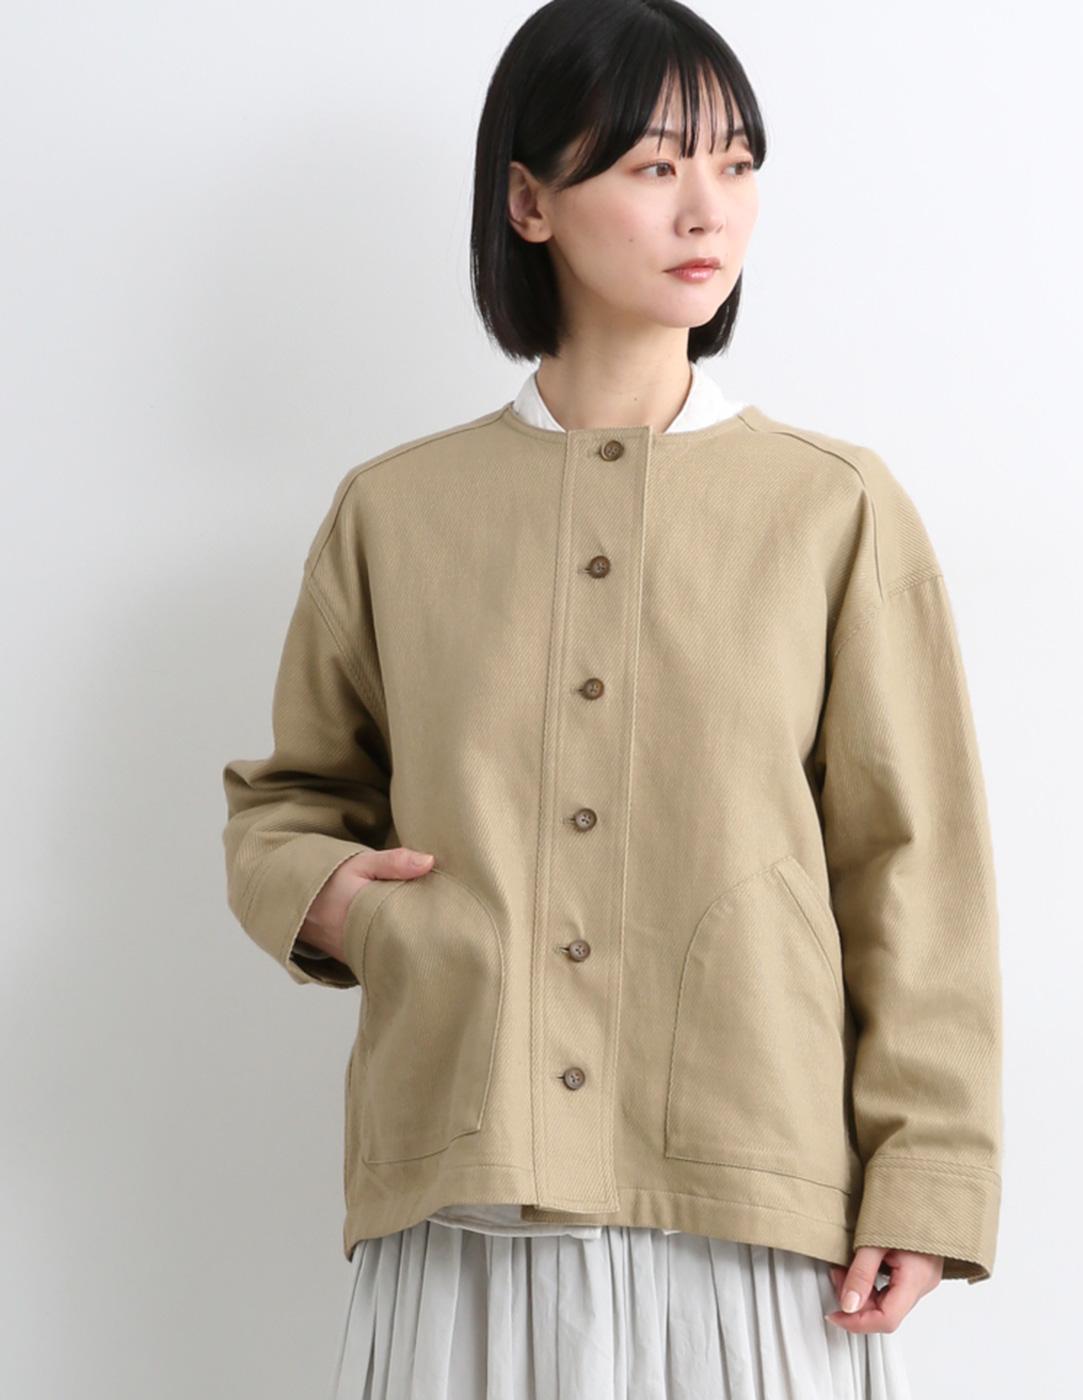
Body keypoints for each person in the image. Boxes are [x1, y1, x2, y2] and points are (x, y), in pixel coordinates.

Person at [220, 2, 1003, 1396]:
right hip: (466, 1202)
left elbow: (915, 864)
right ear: (530, 201)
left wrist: (927, 1176)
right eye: (654, 165)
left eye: (737, 163)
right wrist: (338, 904)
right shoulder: (395, 512)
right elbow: (288, 803)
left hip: (755, 1210)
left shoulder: (833, 508)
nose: (710, 207)